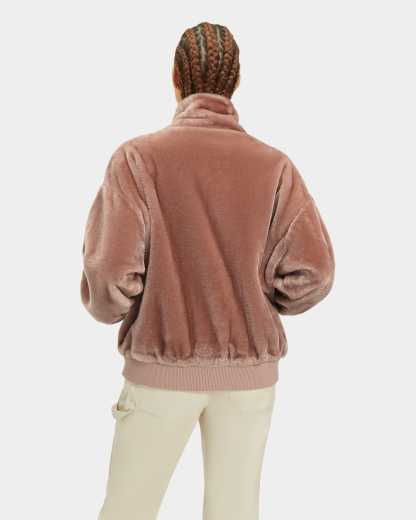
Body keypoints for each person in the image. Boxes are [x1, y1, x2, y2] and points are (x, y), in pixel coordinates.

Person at [80, 21, 335, 520]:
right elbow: (314, 271)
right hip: (250, 377)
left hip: (161, 368)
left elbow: (110, 273)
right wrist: (256, 300)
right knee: (235, 510)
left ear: (175, 78)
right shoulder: (274, 165)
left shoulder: (138, 159)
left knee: (127, 509)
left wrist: (119, 308)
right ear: (235, 81)